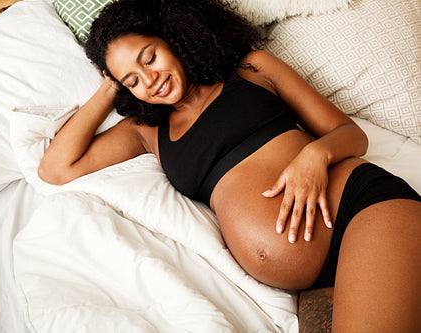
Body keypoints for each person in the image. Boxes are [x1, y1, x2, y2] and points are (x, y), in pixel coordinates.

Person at [38, 0, 421, 331]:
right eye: (133, 80)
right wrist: (110, 85)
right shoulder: (147, 130)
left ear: (172, 36)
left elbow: (350, 133)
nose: (150, 80)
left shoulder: (253, 69)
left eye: (150, 57)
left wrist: (313, 156)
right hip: (312, 282)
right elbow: (56, 169)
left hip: (362, 210)